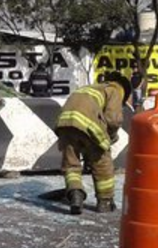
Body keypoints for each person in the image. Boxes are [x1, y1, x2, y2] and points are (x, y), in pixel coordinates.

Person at [54, 71, 131, 215]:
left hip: (64, 123)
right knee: (102, 161)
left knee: (71, 163)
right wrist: (111, 138)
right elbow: (113, 119)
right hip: (88, 124)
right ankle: (105, 201)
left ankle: (75, 194)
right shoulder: (114, 90)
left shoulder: (89, 88)